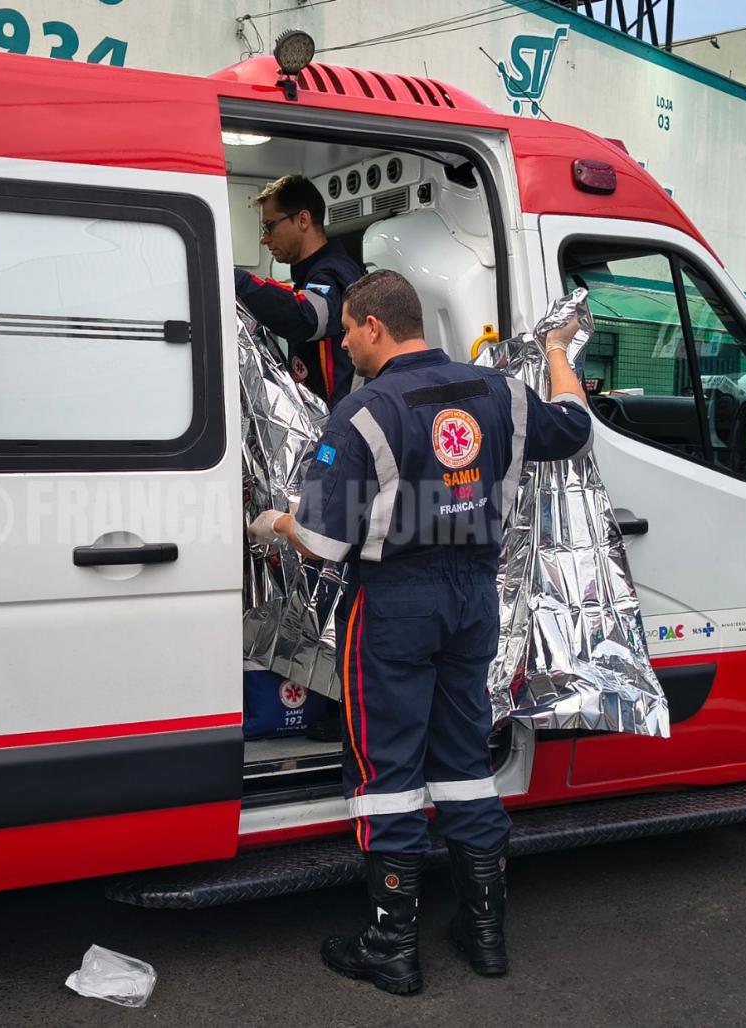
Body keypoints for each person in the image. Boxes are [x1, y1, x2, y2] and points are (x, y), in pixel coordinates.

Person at [248, 271, 592, 996]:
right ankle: (486, 932)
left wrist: (273, 524)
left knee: (389, 774)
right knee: (465, 758)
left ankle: (390, 945)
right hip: (473, 601)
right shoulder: (498, 393)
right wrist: (560, 350)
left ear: (375, 326)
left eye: (345, 328)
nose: (340, 341)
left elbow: (319, 541)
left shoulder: (364, 413)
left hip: (396, 606)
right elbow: (574, 427)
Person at [235, 174, 364, 409]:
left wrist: (237, 281)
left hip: (342, 423)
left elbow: (308, 315)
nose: (264, 239)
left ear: (303, 219)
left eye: (269, 226)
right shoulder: (312, 275)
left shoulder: (335, 273)